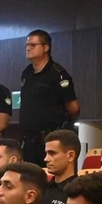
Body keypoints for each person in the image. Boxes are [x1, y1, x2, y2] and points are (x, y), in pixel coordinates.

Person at [18, 29, 79, 162]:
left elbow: (73, 108)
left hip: (50, 140)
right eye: (27, 45)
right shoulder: (26, 73)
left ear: (46, 47)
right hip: (28, 140)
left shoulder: (57, 74)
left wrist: (63, 130)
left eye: (33, 45)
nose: (28, 49)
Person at [37, 129, 80, 204]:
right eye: (46, 153)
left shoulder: (79, 192)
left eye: (52, 153)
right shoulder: (41, 186)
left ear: (70, 156)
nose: (46, 159)